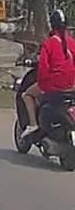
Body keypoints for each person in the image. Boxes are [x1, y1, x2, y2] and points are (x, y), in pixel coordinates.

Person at [22, 9, 75, 141]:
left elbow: (43, 69)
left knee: (27, 95)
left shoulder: (49, 43)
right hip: (72, 84)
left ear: (52, 25)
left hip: (54, 84)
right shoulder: (71, 42)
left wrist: (43, 85)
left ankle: (33, 124)